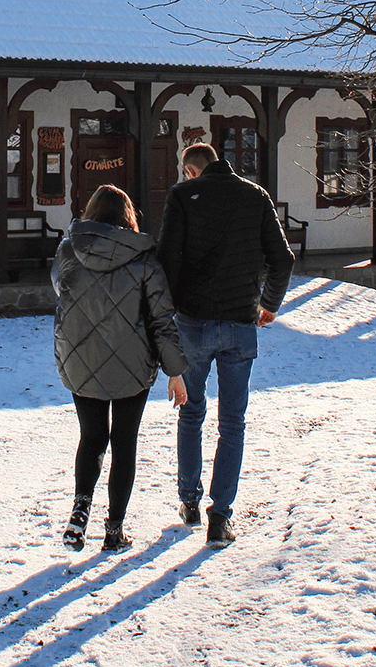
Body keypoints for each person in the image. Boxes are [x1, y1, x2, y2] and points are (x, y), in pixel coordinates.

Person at [157, 142, 294, 545]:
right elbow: (282, 259)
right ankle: (221, 517)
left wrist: (169, 316)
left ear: (191, 170)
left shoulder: (182, 196)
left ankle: (189, 500)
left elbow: (168, 261)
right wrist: (267, 305)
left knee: (191, 412)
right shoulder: (256, 196)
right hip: (239, 321)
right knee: (232, 422)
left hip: (194, 321)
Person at [52, 184, 188, 553]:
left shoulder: (68, 249)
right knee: (124, 443)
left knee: (92, 437)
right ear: (128, 215)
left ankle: (80, 508)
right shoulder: (144, 258)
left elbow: (60, 290)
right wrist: (176, 372)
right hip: (132, 361)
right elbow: (161, 319)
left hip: (81, 358)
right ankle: (114, 530)